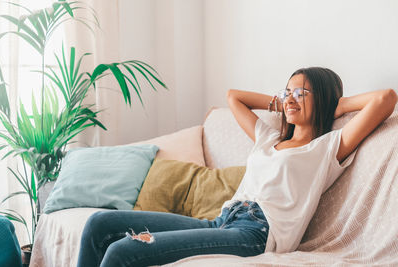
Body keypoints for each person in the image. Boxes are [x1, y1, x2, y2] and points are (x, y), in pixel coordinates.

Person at [77, 67, 397, 267]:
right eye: (287, 91)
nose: (291, 98)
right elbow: (234, 97)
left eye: (302, 92)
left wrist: (337, 104)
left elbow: (385, 98)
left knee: (122, 253)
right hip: (223, 219)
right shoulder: (267, 138)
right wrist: (278, 102)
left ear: (324, 99)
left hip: (254, 233)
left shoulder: (326, 148)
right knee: (99, 224)